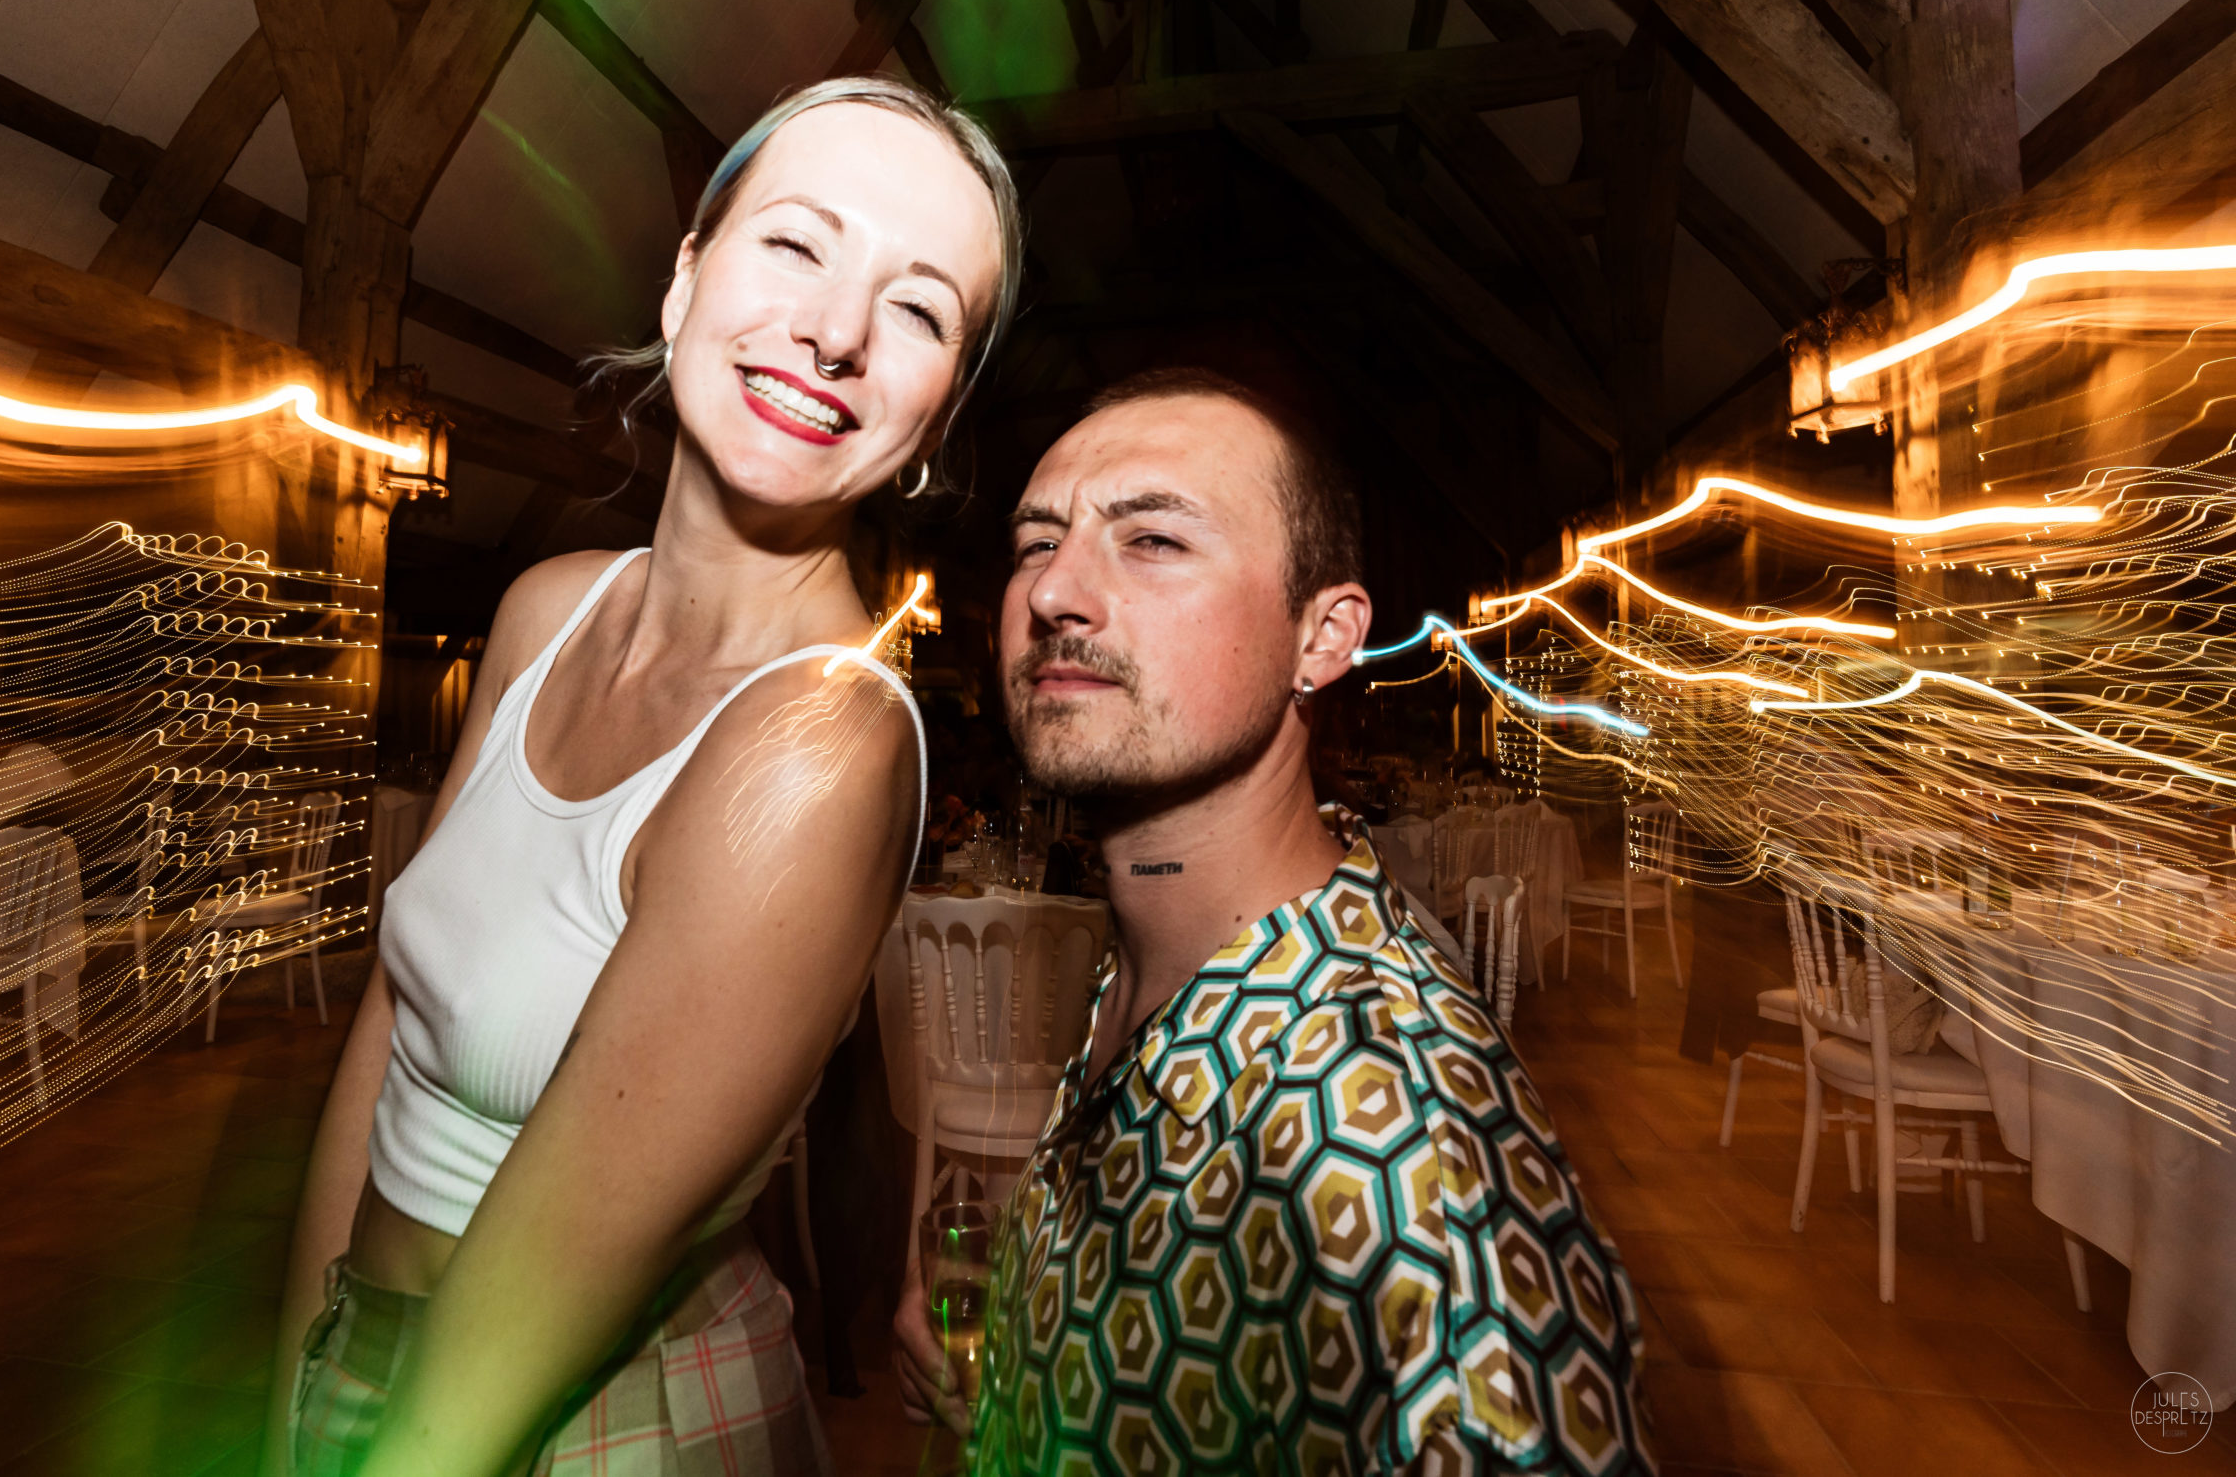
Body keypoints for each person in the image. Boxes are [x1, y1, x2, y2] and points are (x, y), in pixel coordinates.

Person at [266, 75, 1022, 1477]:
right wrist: (301, 1378)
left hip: (597, 1424)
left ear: (934, 421)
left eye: (918, 310)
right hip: (373, 1362)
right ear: (685, 282)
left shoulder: (822, 744)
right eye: (795, 243)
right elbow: (390, 1022)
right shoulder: (546, 610)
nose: (838, 329)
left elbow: (535, 1302)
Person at [896, 369, 1651, 1475]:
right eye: (1036, 543)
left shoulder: (1398, 1133)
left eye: (1154, 540)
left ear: (1323, 637)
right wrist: (1027, 1377)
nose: (1054, 590)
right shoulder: (1168, 962)